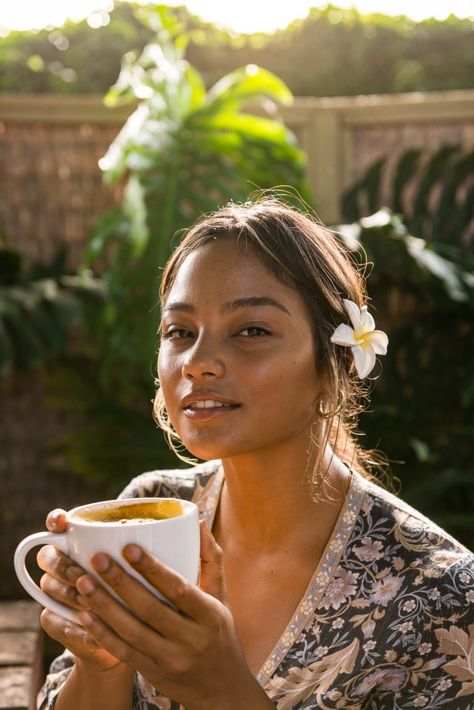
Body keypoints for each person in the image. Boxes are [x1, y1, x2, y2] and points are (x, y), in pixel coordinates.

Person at [37, 199, 473, 709]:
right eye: (180, 332)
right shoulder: (146, 513)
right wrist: (102, 664)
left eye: (251, 331)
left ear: (331, 363)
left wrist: (221, 689)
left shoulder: (440, 597)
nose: (197, 363)